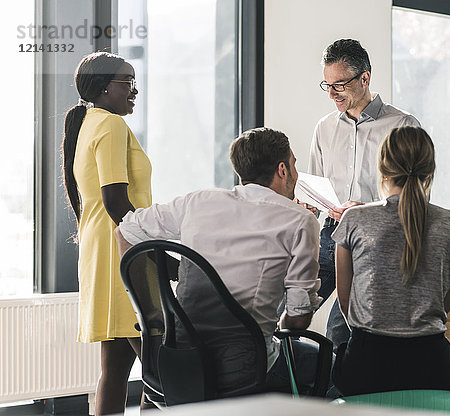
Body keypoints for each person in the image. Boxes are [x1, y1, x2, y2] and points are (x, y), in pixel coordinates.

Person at [114, 127, 324, 393]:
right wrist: (279, 327)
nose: (295, 173)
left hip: (180, 361)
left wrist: (150, 309)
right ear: (282, 170)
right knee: (328, 366)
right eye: (294, 165)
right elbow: (298, 319)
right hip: (246, 367)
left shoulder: (199, 201)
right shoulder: (300, 220)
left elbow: (124, 232)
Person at [330, 126, 450, 396]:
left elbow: (346, 305)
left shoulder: (354, 221)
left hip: (366, 366)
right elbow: (444, 304)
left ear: (382, 169)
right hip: (432, 366)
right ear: (430, 170)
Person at [309, 39, 420, 348]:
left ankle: (339, 395)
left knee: (339, 332)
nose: (332, 93)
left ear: (365, 78)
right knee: (285, 316)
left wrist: (367, 210)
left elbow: (413, 198)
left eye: (340, 85)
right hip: (330, 236)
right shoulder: (324, 128)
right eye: (327, 85)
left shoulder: (402, 125)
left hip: (375, 242)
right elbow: (317, 189)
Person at [62, 52, 152, 415]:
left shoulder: (89, 123)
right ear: (103, 88)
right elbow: (116, 200)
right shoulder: (111, 125)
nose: (135, 90)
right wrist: (156, 249)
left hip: (104, 251)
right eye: (127, 82)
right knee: (165, 368)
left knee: (114, 369)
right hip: (122, 252)